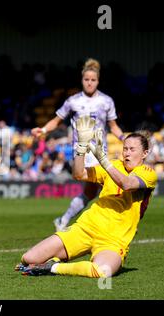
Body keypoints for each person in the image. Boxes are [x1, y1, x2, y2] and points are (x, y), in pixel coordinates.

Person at [16, 116, 157, 278]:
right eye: (125, 148)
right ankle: (51, 261)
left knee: (102, 271)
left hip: (113, 241)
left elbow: (127, 184)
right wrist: (81, 147)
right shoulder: (114, 165)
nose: (127, 153)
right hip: (87, 227)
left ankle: (53, 267)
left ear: (145, 153)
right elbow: (78, 173)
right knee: (28, 258)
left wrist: (103, 159)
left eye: (132, 150)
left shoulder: (148, 173)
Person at [31, 58, 124, 232]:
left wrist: (125, 139)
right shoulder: (73, 101)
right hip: (82, 152)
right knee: (108, 185)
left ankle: (63, 220)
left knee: (90, 192)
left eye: (93, 80)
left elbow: (113, 126)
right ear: (82, 80)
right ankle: (109, 224)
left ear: (98, 81)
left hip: (100, 151)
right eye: (86, 79)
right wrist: (43, 130)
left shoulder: (106, 101)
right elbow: (57, 120)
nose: (89, 83)